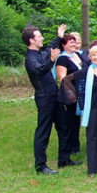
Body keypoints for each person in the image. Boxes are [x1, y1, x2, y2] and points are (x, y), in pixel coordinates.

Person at [61, 46, 97, 176]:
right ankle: (93, 167)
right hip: (92, 108)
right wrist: (75, 95)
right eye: (94, 55)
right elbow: (66, 80)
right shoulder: (84, 72)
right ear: (90, 57)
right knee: (92, 136)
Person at [24, 24, 66, 175]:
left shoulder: (40, 53)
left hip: (54, 96)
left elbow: (51, 47)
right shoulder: (30, 59)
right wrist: (51, 60)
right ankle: (40, 165)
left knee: (62, 126)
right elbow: (39, 70)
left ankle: (64, 159)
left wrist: (60, 36)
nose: (42, 38)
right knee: (43, 131)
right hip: (44, 99)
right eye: (39, 36)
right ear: (31, 40)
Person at [53, 33, 85, 168]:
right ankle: (63, 159)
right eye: (70, 42)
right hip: (68, 97)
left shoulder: (77, 56)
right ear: (63, 45)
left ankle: (70, 152)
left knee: (74, 124)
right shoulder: (62, 59)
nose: (74, 44)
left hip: (78, 95)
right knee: (65, 127)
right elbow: (63, 79)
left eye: (74, 41)